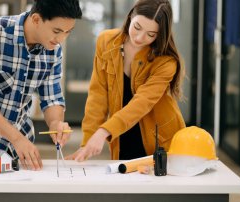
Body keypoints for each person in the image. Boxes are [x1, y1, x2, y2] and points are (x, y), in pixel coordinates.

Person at [0, 0, 81, 201]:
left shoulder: (53, 49)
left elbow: (52, 96)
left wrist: (56, 123)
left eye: (68, 32)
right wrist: (18, 139)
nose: (61, 39)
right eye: (57, 31)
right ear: (36, 19)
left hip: (14, 145)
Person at [67, 0, 185, 162]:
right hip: (121, 133)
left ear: (160, 34)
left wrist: (103, 132)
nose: (140, 37)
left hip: (160, 138)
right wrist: (87, 141)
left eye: (151, 34)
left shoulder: (166, 62)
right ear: (130, 17)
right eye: (137, 27)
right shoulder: (106, 42)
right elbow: (97, 95)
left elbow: (141, 103)